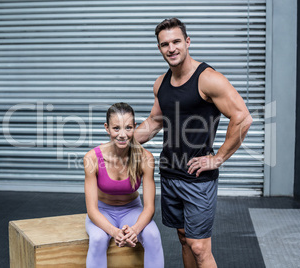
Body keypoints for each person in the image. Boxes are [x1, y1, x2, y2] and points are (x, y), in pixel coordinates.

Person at [134, 18, 253, 268]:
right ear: (159, 48)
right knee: (184, 239)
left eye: (176, 41)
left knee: (199, 247)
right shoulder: (161, 84)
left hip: (197, 178)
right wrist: (120, 141)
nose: (171, 48)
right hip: (169, 173)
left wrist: (217, 158)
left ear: (187, 42)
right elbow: (155, 121)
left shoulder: (208, 79)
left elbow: (242, 118)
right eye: (164, 44)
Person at [84, 102, 164, 268]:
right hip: (102, 211)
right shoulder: (91, 159)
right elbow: (92, 210)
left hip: (132, 210)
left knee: (153, 236)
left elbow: (149, 208)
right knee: (98, 239)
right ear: (107, 128)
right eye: (116, 128)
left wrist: (135, 230)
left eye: (128, 128)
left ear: (135, 127)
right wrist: (114, 232)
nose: (122, 135)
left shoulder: (145, 158)